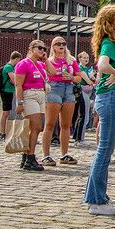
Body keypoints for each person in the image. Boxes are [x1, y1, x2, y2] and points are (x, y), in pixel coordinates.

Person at [85, 4, 115, 215]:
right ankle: (97, 201)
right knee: (105, 150)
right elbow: (102, 65)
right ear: (110, 25)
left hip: (111, 97)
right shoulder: (109, 44)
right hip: (110, 98)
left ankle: (97, 198)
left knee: (105, 150)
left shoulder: (113, 43)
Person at [40, 36, 81, 167]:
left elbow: (79, 77)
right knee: (50, 123)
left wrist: (72, 77)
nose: (61, 46)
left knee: (66, 124)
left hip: (69, 88)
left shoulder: (71, 60)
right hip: (54, 88)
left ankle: (64, 154)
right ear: (53, 46)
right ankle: (46, 155)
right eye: (58, 44)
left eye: (63, 43)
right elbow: (46, 74)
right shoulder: (49, 61)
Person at [14, 40, 50, 171]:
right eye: (39, 48)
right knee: (36, 127)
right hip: (29, 95)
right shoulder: (23, 64)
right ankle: (30, 157)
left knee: (35, 128)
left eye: (44, 49)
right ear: (31, 48)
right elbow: (18, 84)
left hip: (41, 94)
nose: (42, 51)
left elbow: (52, 72)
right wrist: (19, 102)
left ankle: (26, 155)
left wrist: (46, 60)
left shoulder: (40, 64)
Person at [0, 51, 21, 141]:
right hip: (6, 91)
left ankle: (5, 131)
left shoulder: (11, 67)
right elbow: (14, 80)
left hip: (10, 91)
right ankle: (2, 132)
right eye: (18, 60)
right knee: (5, 112)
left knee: (7, 112)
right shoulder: (8, 67)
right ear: (16, 59)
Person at [74, 51, 95, 144]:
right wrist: (92, 81)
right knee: (85, 115)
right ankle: (80, 138)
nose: (86, 59)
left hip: (85, 92)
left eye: (87, 58)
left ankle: (76, 135)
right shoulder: (81, 69)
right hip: (82, 91)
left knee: (82, 114)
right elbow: (90, 81)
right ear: (79, 59)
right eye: (84, 58)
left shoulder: (86, 68)